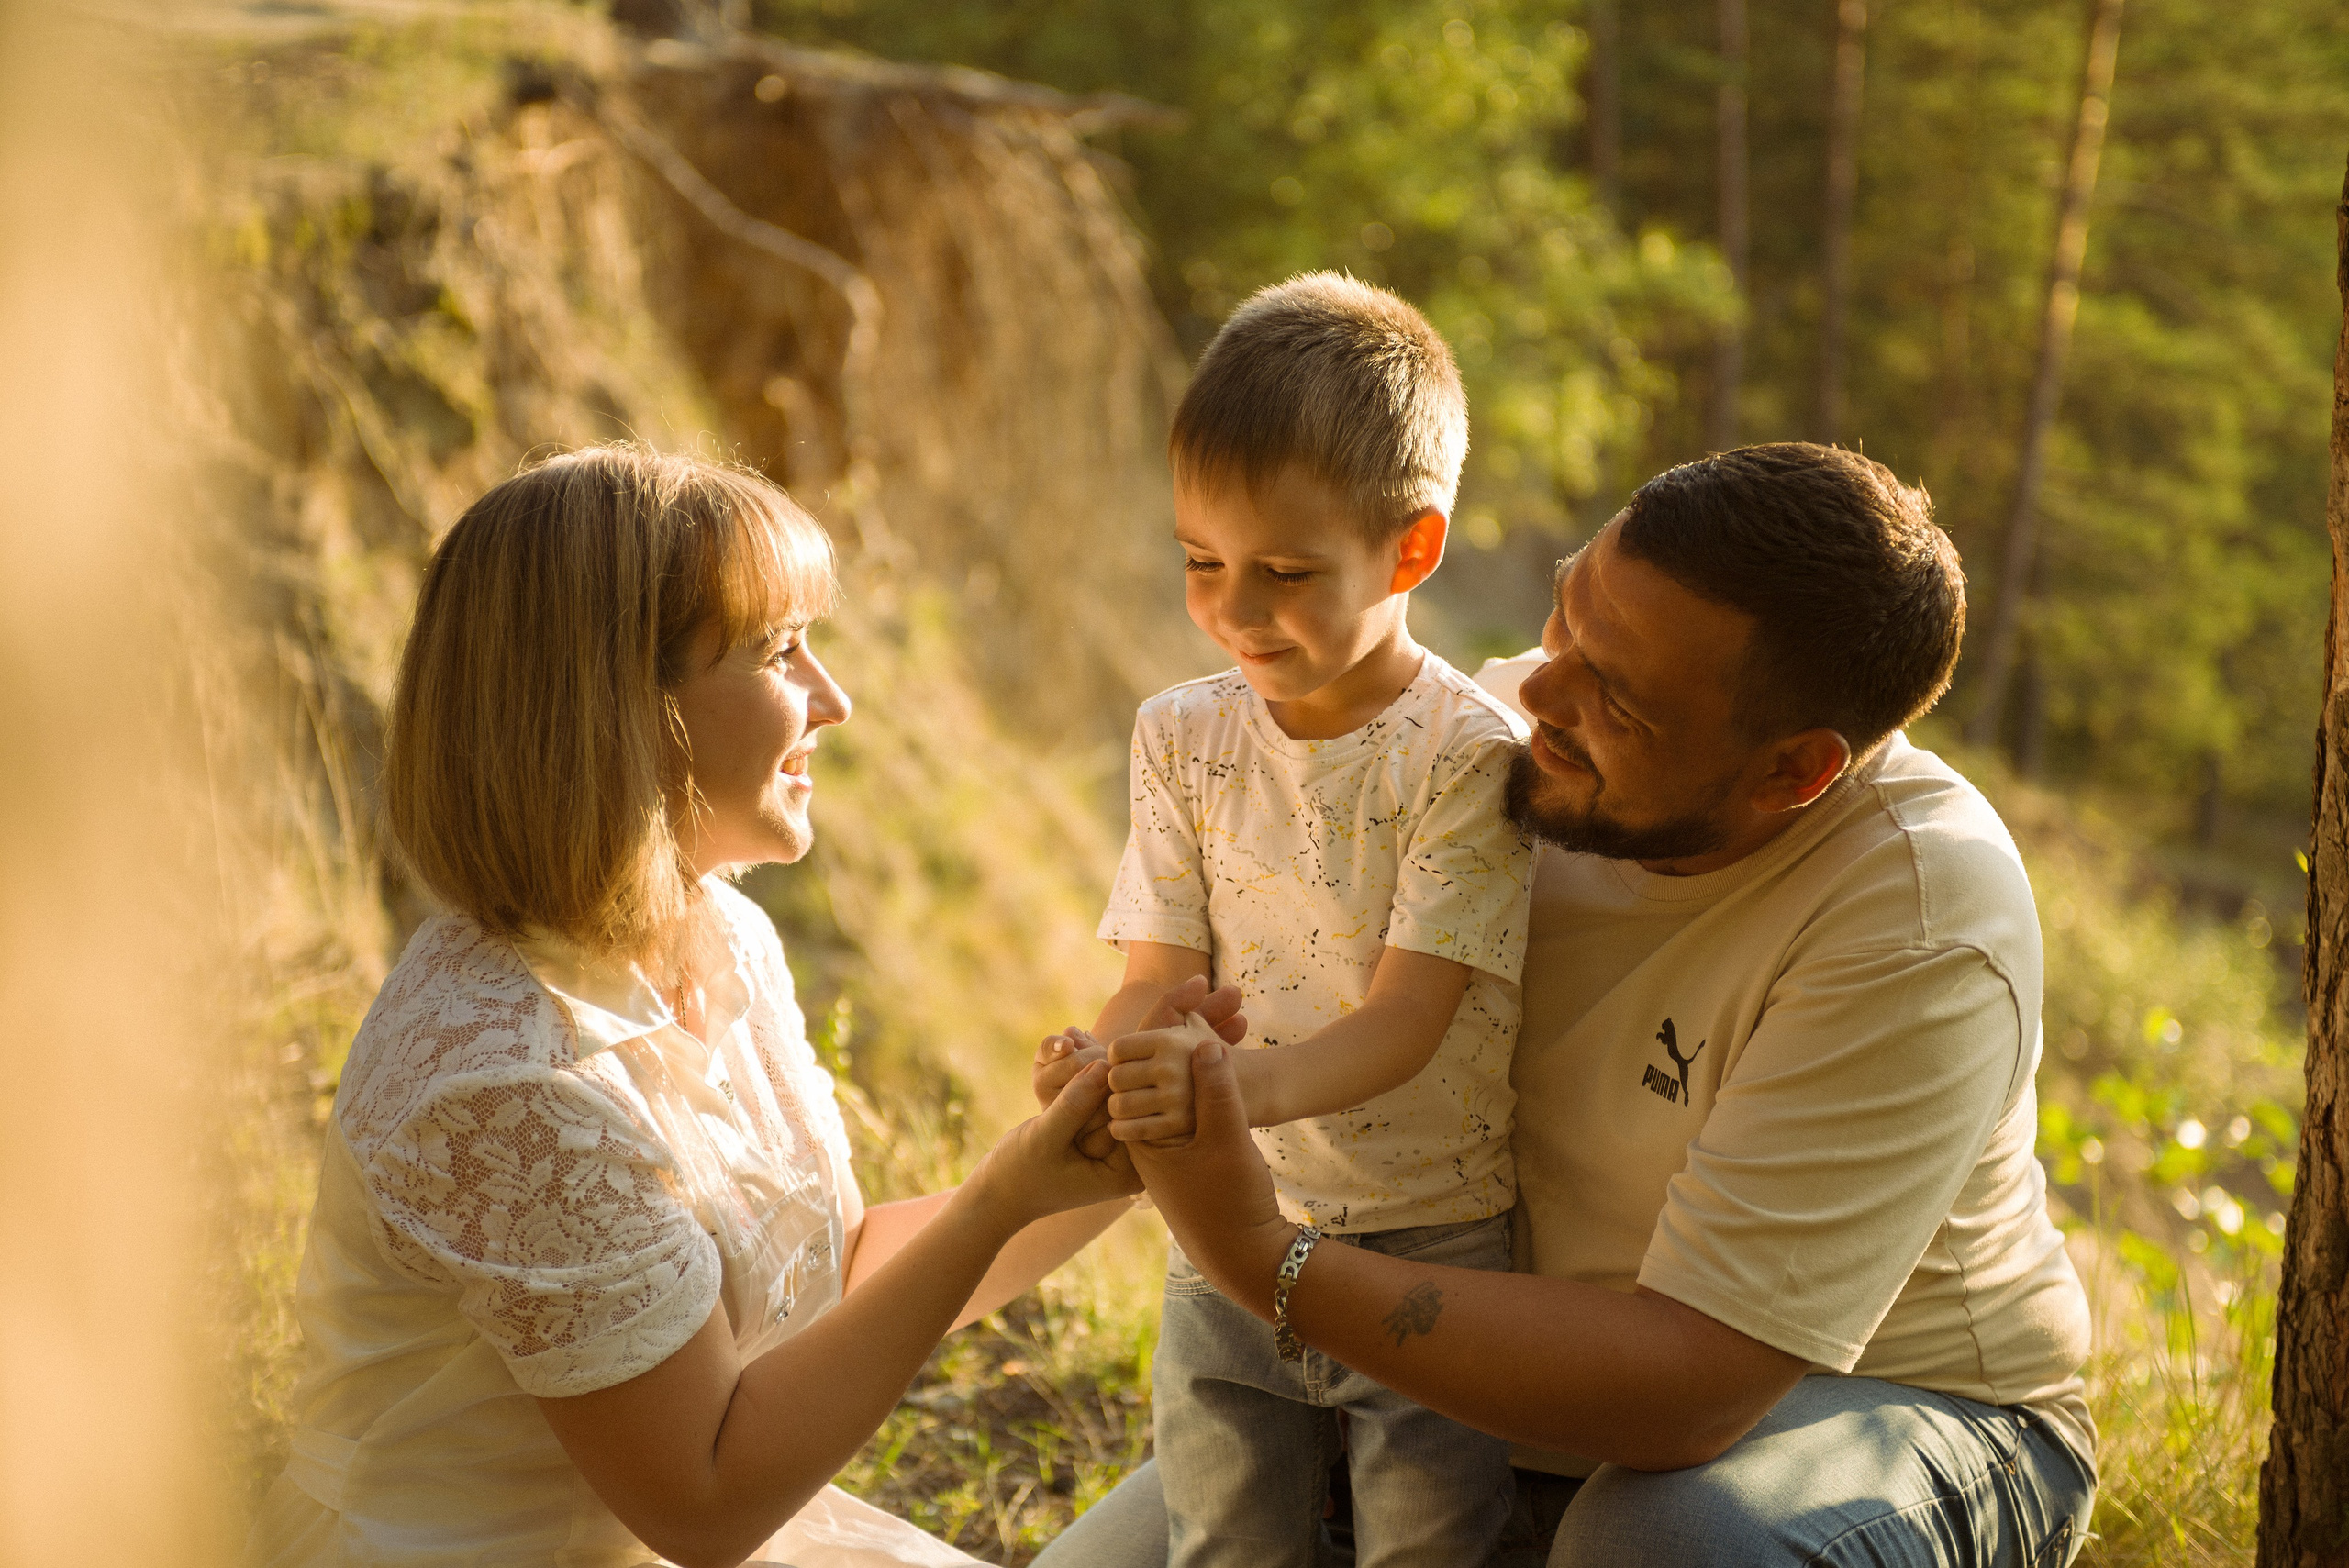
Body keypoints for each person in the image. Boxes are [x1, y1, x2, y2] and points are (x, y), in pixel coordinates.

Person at [1039, 443, 2098, 1568]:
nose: (1535, 691)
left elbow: (1686, 1389)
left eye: (1619, 698)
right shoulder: (1477, 750)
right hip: (1455, 1387)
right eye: (1563, 614)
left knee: (1665, 1545)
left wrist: (1263, 1258)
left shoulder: (1916, 918)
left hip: (1874, 1404)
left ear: (1792, 771)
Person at [249, 445, 1251, 1568]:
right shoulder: (501, 1079)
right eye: (779, 652)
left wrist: (1093, 1156)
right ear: (619, 706)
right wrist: (1002, 1195)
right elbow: (705, 1501)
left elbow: (827, 1288)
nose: (835, 700)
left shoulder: (718, 934)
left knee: (1257, 1465)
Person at [1035, 272, 1535, 1566]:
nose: (1235, 610)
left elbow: (1407, 1024)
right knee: (1225, 1541)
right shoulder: (1183, 736)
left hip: (1435, 1247)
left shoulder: (1468, 758)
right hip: (1226, 1224)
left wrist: (1218, 1093)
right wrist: (1109, 1065)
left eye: (1287, 573)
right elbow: (1159, 974)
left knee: (1428, 1544)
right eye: (1202, 563)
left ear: (1412, 550)